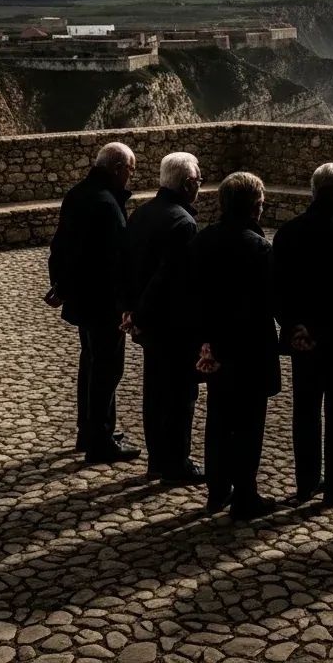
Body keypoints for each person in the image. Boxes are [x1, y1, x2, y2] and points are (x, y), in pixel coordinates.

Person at [273, 163, 333, 506]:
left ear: (312, 191)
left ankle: (306, 481)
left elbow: (278, 290)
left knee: (306, 410)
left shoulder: (287, 232)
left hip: (302, 339)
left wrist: (297, 326)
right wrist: (322, 329)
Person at [190, 172, 281, 521]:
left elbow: (193, 296)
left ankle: (217, 491)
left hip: (215, 347)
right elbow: (272, 301)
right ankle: (246, 496)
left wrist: (205, 342)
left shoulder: (202, 241)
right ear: (256, 208)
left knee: (217, 418)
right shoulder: (259, 249)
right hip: (252, 351)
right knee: (248, 426)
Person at [48, 141, 140, 464]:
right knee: (107, 369)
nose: (132, 175)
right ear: (117, 170)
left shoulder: (77, 194)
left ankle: (88, 430)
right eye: (131, 169)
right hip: (104, 304)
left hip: (82, 300)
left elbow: (59, 246)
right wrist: (128, 304)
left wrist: (59, 285)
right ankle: (100, 440)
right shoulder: (108, 205)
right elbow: (118, 263)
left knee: (90, 363)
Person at [124, 152, 203, 486]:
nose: (200, 185)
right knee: (180, 395)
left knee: (154, 390)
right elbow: (169, 278)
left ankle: (157, 459)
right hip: (173, 325)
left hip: (146, 323)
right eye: (198, 180)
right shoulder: (183, 224)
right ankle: (177, 462)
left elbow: (125, 266)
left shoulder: (141, 214)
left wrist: (130, 311)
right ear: (187, 184)